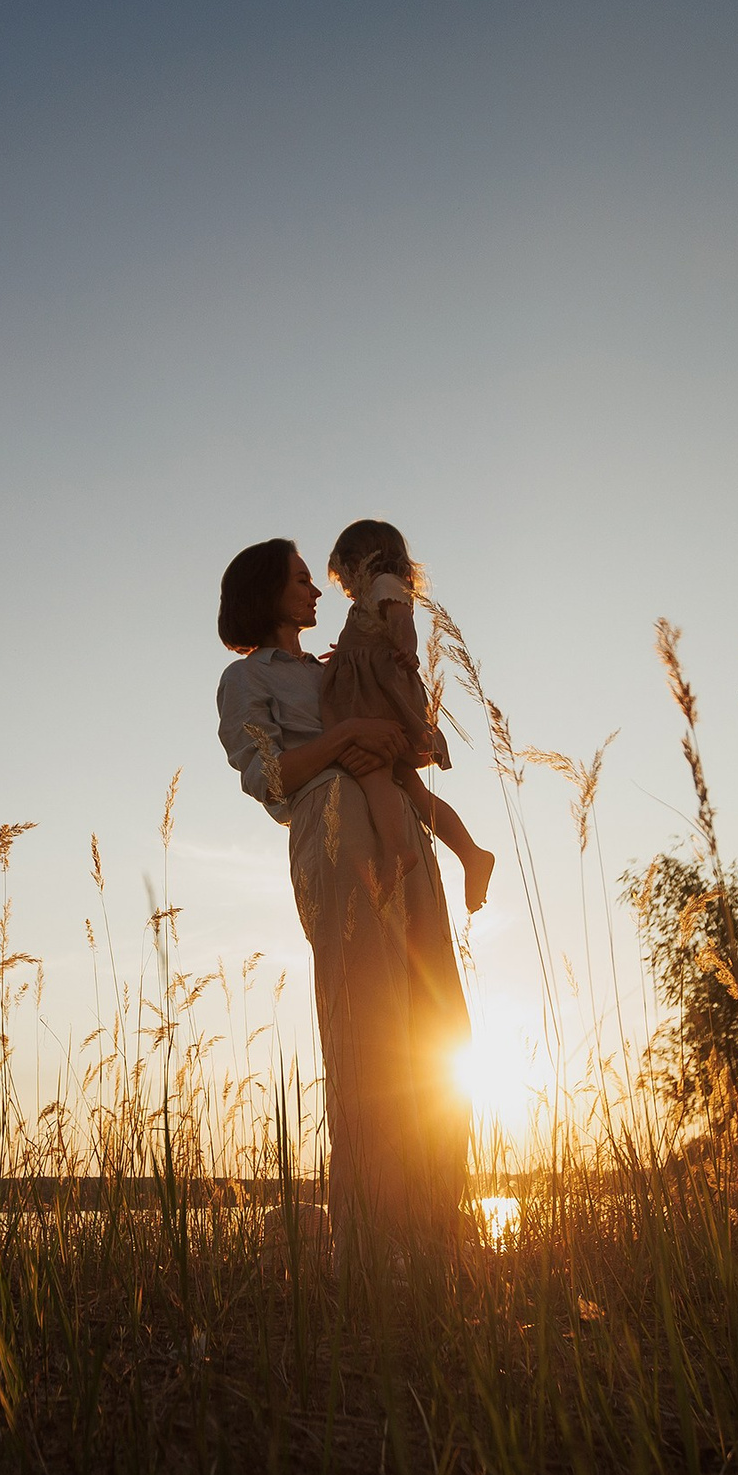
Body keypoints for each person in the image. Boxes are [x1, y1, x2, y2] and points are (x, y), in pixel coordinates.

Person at [214, 537, 471, 1256]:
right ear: (266, 592)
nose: (315, 590)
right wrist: (347, 737)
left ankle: (438, 1226)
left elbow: (401, 737)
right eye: (301, 579)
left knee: (439, 1016)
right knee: (367, 1018)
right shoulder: (245, 677)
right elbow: (269, 776)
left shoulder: (336, 666)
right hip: (333, 824)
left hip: (402, 826)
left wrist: (399, 730)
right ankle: (370, 1236)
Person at [318, 519, 496, 915]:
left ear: (363, 560)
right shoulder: (373, 595)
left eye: (345, 575)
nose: (346, 586)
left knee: (372, 769)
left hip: (378, 698)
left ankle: (397, 851)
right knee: (411, 786)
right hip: (377, 692)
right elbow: (374, 635)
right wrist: (345, 653)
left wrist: (405, 649)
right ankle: (470, 853)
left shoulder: (385, 583)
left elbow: (402, 622)